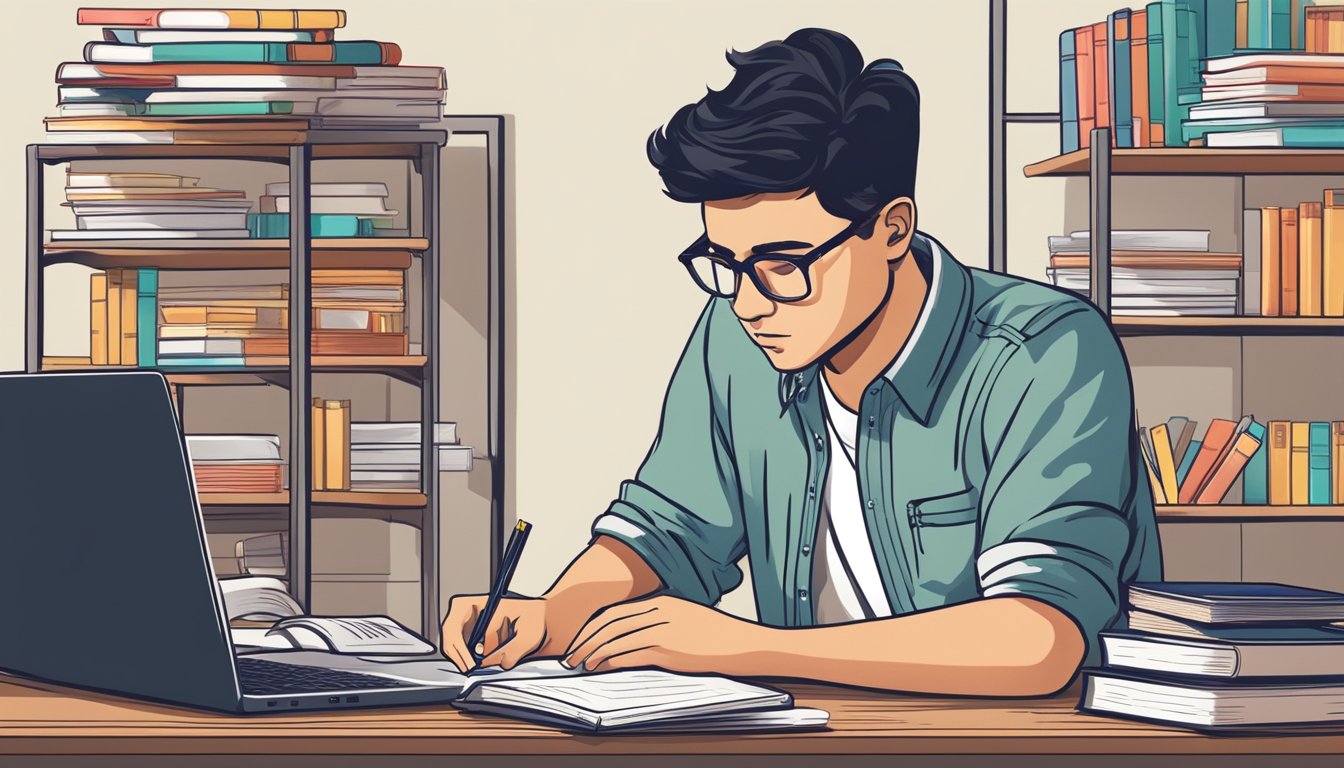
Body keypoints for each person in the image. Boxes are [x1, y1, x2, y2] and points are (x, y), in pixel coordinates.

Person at [441, 27, 1161, 696]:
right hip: (809, 736)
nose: (749, 302)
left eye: (784, 264)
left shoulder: (1044, 353)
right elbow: (667, 532)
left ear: (892, 229)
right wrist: (556, 612)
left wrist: (746, 648)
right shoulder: (736, 336)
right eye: (726, 263)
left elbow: (1039, 639)